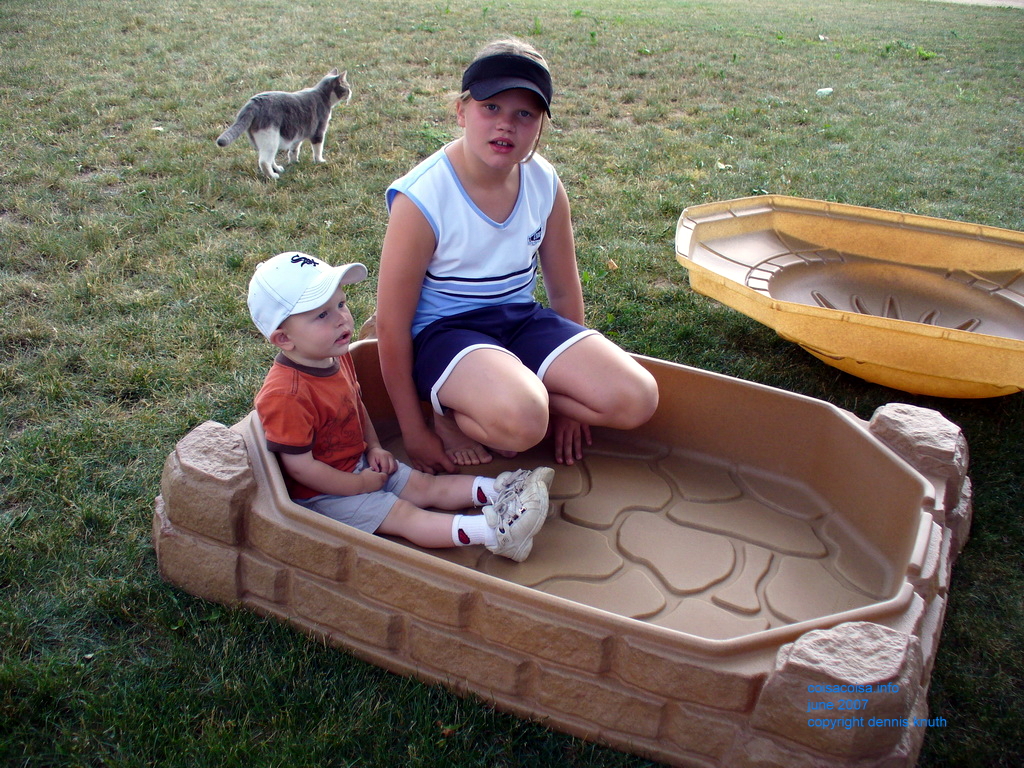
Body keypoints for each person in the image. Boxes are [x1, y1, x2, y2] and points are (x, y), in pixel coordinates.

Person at [377, 38, 659, 475]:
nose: (506, 125)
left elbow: (563, 289)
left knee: (637, 398)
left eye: (524, 114)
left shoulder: (544, 181)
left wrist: (573, 409)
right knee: (524, 424)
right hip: (445, 333)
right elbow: (390, 325)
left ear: (541, 125)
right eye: (491, 107)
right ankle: (448, 412)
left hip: (519, 320)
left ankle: (520, 394)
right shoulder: (423, 198)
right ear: (461, 111)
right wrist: (414, 430)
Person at [247, 250, 552, 562]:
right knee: (404, 515)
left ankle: (504, 489)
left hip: (360, 463)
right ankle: (496, 534)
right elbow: (301, 468)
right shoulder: (286, 396)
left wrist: (374, 447)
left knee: (425, 485)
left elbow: (356, 404)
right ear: (283, 339)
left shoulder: (334, 356)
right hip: (324, 494)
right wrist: (357, 484)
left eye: (340, 304)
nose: (342, 318)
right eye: (322, 315)